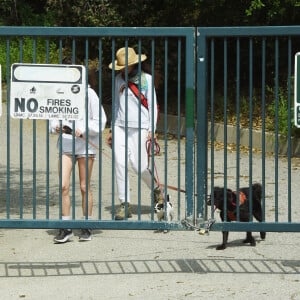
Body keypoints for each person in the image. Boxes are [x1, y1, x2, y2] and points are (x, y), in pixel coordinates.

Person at [50, 67, 107, 243]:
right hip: (66, 144)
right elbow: (53, 114)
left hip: (85, 146)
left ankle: (86, 224)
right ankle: (66, 227)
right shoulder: (61, 92)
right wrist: (55, 127)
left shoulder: (90, 94)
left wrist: (84, 130)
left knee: (84, 186)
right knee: (63, 186)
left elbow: (100, 121)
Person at [107, 47, 163, 220]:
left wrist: (151, 130)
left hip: (140, 128)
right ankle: (125, 204)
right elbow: (116, 105)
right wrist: (112, 127)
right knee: (119, 163)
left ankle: (156, 189)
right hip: (120, 127)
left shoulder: (146, 79)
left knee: (140, 166)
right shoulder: (118, 79)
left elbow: (152, 106)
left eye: (126, 65)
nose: (124, 69)